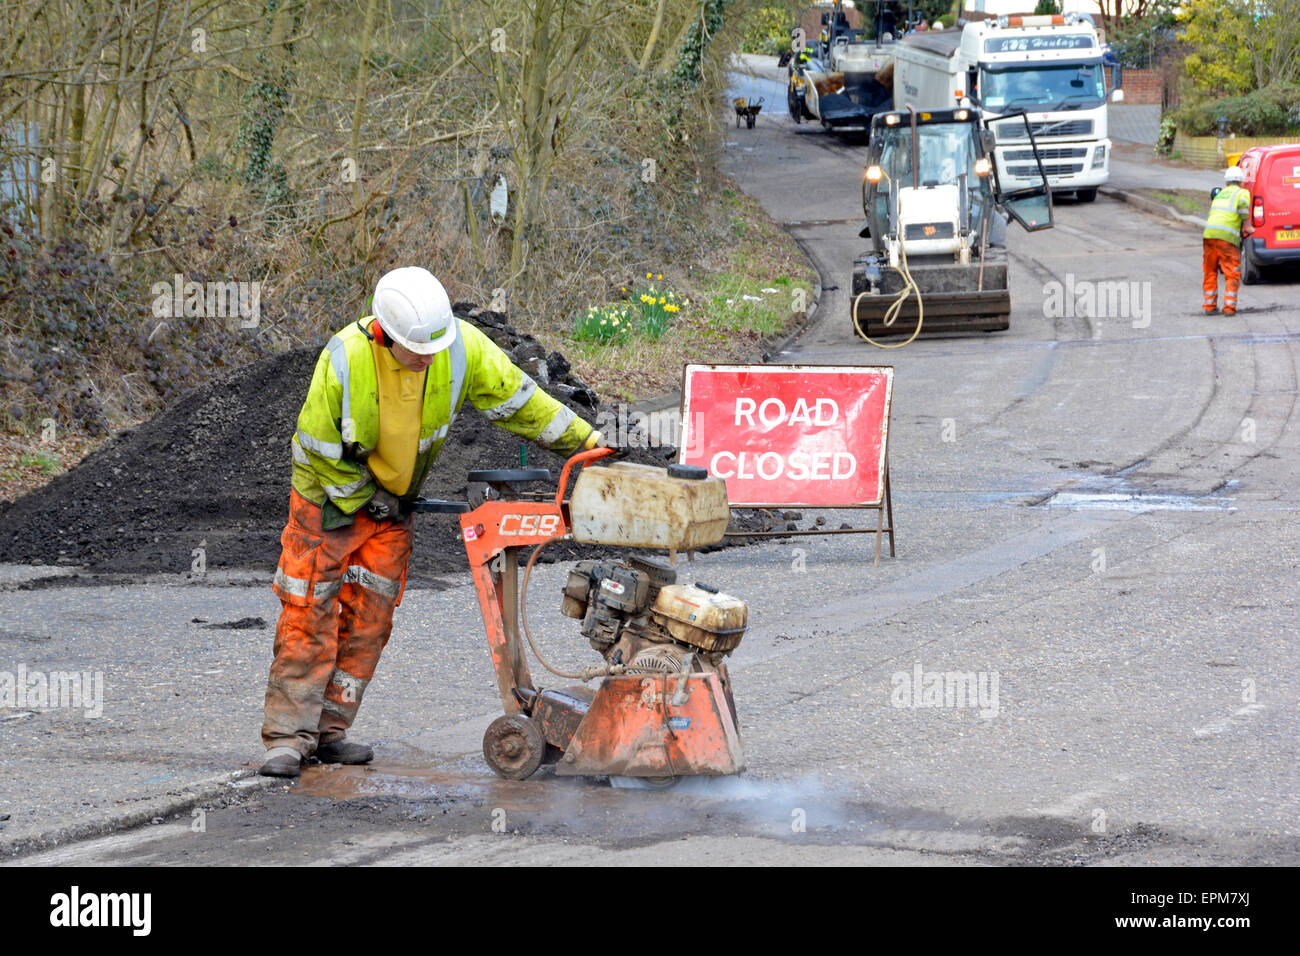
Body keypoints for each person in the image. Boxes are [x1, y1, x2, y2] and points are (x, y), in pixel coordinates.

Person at [258, 266, 601, 777]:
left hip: (394, 506)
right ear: (383, 333)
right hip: (327, 502)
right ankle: (288, 738)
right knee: (310, 614)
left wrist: (587, 442)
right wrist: (366, 497)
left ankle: (330, 732)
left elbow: (520, 401)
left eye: (435, 346)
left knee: (370, 620)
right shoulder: (345, 359)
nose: (428, 357)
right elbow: (317, 446)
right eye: (416, 349)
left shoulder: (457, 347)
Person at [1202, 166, 1252, 316]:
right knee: (1232, 272)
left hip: (1209, 235)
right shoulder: (1242, 193)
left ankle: (1209, 306)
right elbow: (1243, 206)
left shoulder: (1220, 194)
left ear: (1226, 183)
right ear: (1241, 182)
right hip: (1227, 238)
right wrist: (1248, 226)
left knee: (1210, 271)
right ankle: (1229, 308)